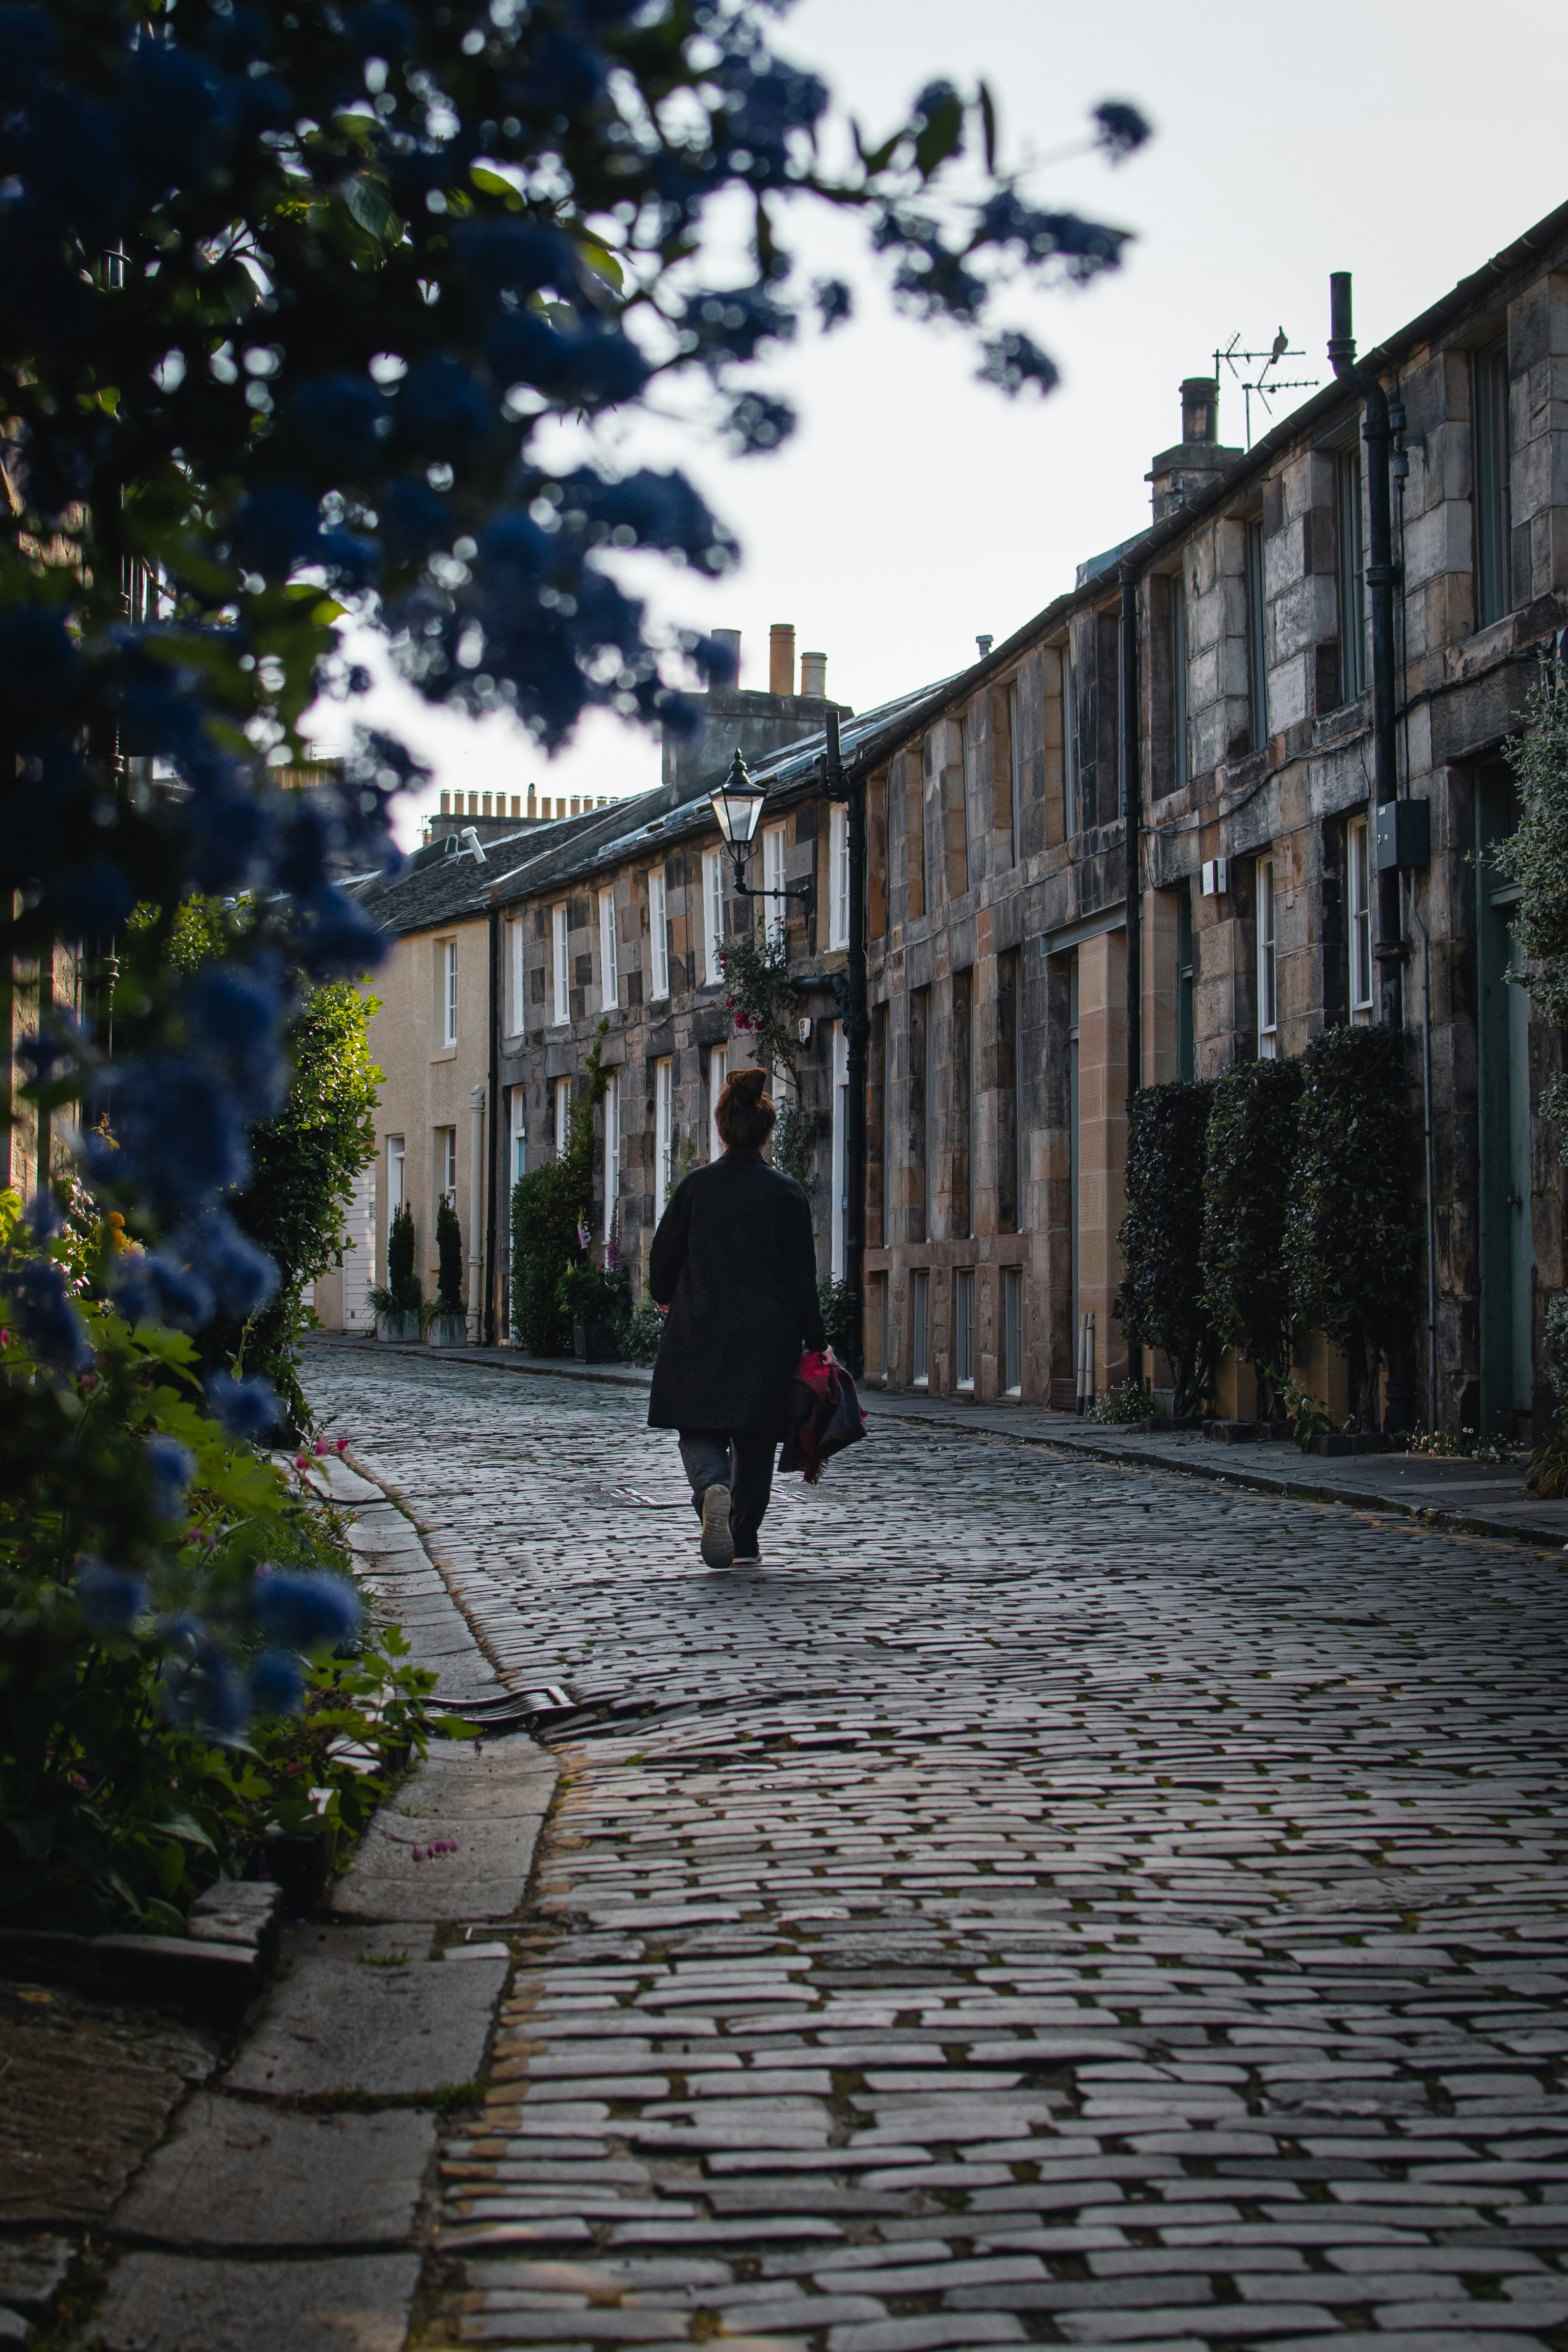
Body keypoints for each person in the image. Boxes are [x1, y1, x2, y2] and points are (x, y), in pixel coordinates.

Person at [647, 1066, 827, 1567]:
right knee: (755, 1438)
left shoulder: (696, 1187)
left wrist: (665, 1295)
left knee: (697, 1427)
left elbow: (662, 1259)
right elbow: (802, 1277)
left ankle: (712, 1486)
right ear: (767, 1132)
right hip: (768, 1336)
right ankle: (743, 1540)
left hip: (699, 1326)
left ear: (722, 1128)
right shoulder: (786, 1193)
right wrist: (817, 1341)